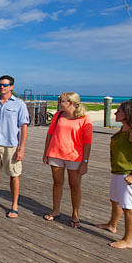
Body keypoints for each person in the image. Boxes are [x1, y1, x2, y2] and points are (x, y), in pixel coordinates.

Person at [95, 101, 132, 248]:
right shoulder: (123, 130)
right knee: (115, 200)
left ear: (128, 114)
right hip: (118, 172)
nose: (115, 114)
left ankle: (128, 240)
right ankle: (112, 225)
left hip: (129, 175)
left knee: (128, 207)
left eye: (118, 111)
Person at [42, 92, 93, 229]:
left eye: (61, 100)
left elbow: (88, 142)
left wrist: (85, 162)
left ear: (70, 102)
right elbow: (50, 134)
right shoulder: (58, 116)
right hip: (56, 154)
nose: (59, 102)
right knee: (57, 183)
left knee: (74, 185)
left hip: (75, 157)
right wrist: (46, 152)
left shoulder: (84, 118)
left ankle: (75, 214)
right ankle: (56, 209)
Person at [0, 75, 30, 218]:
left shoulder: (19, 104)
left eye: (5, 85)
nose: (1, 87)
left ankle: (14, 205)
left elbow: (24, 127)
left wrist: (21, 148)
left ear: (11, 87)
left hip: (11, 145)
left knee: (14, 175)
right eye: (0, 85)